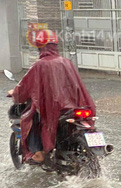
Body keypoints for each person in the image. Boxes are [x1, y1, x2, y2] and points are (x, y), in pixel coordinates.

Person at [8, 29, 96, 164]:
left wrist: (14, 93)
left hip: (53, 109)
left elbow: (24, 88)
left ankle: (39, 153)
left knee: (30, 119)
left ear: (40, 48)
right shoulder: (67, 62)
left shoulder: (39, 65)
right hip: (74, 106)